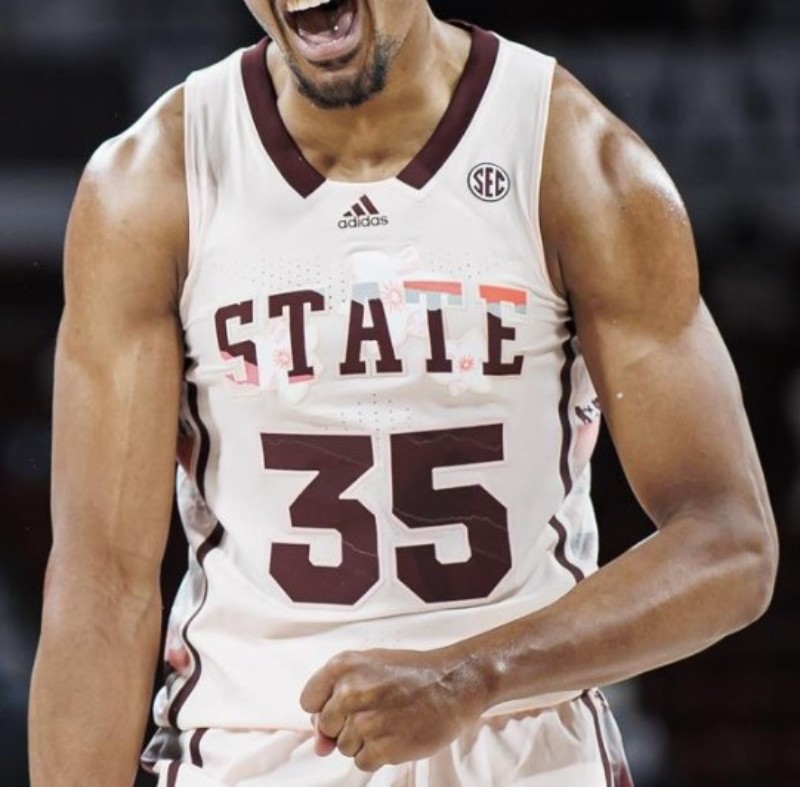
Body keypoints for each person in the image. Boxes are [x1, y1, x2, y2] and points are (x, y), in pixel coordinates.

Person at [29, 1, 779, 785]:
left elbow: (731, 542)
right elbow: (101, 587)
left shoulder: (573, 158)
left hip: (523, 744)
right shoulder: (150, 183)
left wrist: (472, 674)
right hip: (248, 747)